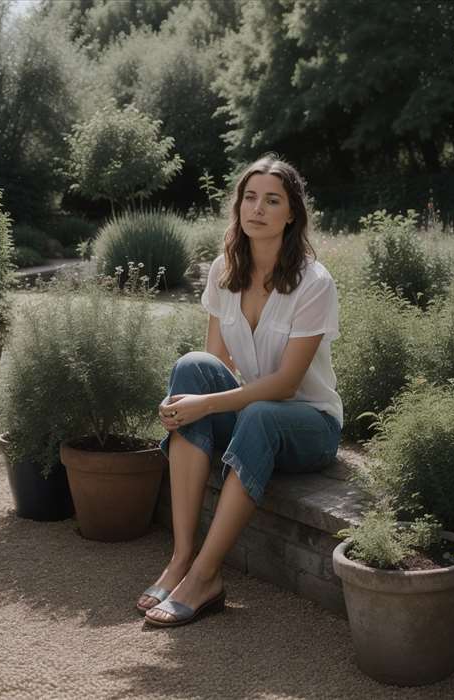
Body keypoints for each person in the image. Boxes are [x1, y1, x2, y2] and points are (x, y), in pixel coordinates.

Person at [138, 154, 344, 628]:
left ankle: (206, 577)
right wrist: (195, 400)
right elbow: (215, 363)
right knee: (191, 365)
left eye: (273, 200)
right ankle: (182, 557)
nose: (258, 208)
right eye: (250, 197)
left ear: (292, 213)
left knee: (259, 414)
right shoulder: (223, 270)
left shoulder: (314, 283)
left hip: (308, 424)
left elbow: (287, 385)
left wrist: (205, 406)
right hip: (253, 413)